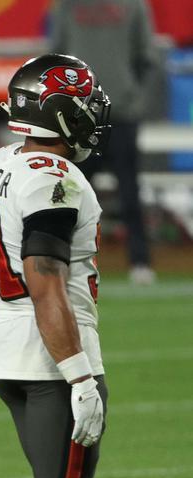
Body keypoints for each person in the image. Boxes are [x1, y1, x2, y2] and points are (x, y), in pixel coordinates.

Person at [0, 54, 109, 478]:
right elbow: (46, 283)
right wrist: (81, 378)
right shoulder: (55, 180)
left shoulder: (4, 159)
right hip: (52, 361)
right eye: (84, 102)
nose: (93, 110)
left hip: (9, 349)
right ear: (62, 113)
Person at [51, 0, 158, 285]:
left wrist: (128, 94)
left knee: (128, 193)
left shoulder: (134, 5)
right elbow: (57, 56)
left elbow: (144, 55)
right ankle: (64, 261)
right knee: (72, 192)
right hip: (81, 113)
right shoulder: (65, 6)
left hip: (120, 112)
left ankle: (139, 261)